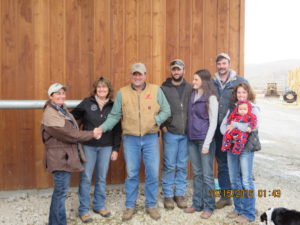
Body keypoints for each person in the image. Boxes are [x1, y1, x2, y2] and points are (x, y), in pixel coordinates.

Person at [99, 63, 171, 221]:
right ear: (131, 76)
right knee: (132, 174)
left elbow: (166, 110)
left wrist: (156, 120)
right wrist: (102, 128)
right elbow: (115, 115)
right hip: (130, 138)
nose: (137, 77)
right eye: (134, 74)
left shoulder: (156, 90)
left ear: (145, 74)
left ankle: (151, 205)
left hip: (151, 137)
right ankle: (130, 206)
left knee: (152, 173)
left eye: (140, 74)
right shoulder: (122, 93)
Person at [41, 83, 101, 225]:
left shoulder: (61, 109)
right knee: (60, 193)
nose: (61, 95)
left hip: (62, 157)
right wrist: (91, 134)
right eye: (57, 93)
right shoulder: (51, 114)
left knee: (60, 193)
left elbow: (72, 125)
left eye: (63, 93)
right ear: (51, 96)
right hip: (59, 159)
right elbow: (70, 134)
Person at [71, 77, 122, 223]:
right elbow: (73, 117)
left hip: (106, 147)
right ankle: (83, 210)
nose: (101, 90)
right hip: (88, 146)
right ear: (95, 89)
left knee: (101, 177)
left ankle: (99, 205)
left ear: (109, 90)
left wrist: (116, 149)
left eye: (104, 88)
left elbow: (117, 129)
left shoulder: (113, 106)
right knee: (86, 177)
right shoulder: (87, 103)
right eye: (99, 87)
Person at [220, 82, 259, 223]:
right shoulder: (233, 108)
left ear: (248, 94)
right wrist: (230, 134)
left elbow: (253, 127)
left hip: (246, 149)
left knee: (246, 181)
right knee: (234, 180)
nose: (241, 95)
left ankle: (249, 213)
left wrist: (235, 126)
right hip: (231, 147)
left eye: (244, 92)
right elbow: (223, 126)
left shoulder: (253, 108)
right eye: (239, 93)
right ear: (235, 95)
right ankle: (238, 208)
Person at [213, 53, 247, 209]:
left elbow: (249, 105)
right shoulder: (212, 83)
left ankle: (243, 203)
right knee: (223, 164)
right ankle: (226, 197)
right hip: (219, 132)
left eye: (224, 63)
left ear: (229, 63)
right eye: (219, 64)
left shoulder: (239, 81)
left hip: (236, 132)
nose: (221, 66)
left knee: (239, 166)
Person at [184, 69, 218, 219]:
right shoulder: (192, 95)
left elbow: (213, 123)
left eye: (196, 79)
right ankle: (197, 204)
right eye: (193, 79)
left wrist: (206, 144)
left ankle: (209, 206)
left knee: (207, 176)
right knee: (197, 174)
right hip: (192, 139)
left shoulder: (211, 98)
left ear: (204, 81)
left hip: (205, 141)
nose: (193, 82)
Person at [160, 59, 192, 210]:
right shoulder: (163, 88)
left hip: (186, 134)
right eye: (174, 69)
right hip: (171, 133)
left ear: (183, 70)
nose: (176, 72)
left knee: (182, 165)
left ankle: (179, 194)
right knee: (169, 165)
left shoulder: (191, 87)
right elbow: (157, 108)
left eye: (179, 69)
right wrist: (164, 128)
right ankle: (167, 195)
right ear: (170, 71)